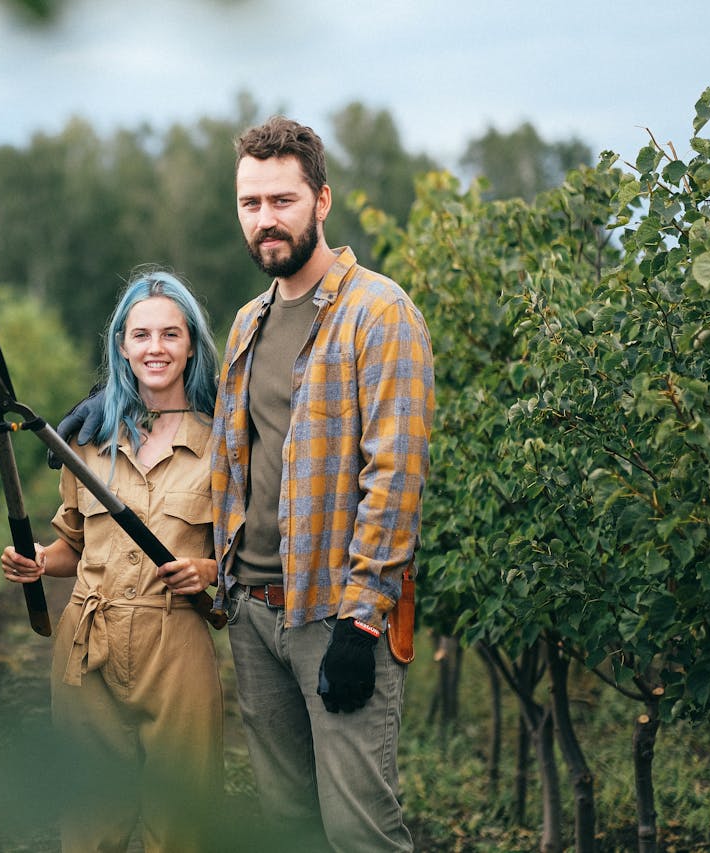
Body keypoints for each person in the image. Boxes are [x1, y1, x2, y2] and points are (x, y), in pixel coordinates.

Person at [58, 117, 434, 852]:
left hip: (335, 614)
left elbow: (395, 475)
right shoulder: (248, 323)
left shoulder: (378, 314)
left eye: (283, 200)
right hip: (256, 615)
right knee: (289, 825)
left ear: (322, 200)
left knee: (360, 829)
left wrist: (363, 621)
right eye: (251, 203)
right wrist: (109, 404)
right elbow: (217, 431)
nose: (266, 219)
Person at [1, 267, 225, 852]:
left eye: (171, 335)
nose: (156, 348)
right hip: (87, 640)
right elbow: (72, 547)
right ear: (121, 346)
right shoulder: (88, 441)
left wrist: (206, 572)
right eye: (141, 335)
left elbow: (245, 558)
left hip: (175, 642)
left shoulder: (223, 442)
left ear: (192, 345)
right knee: (89, 820)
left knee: (180, 824)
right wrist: (37, 562)